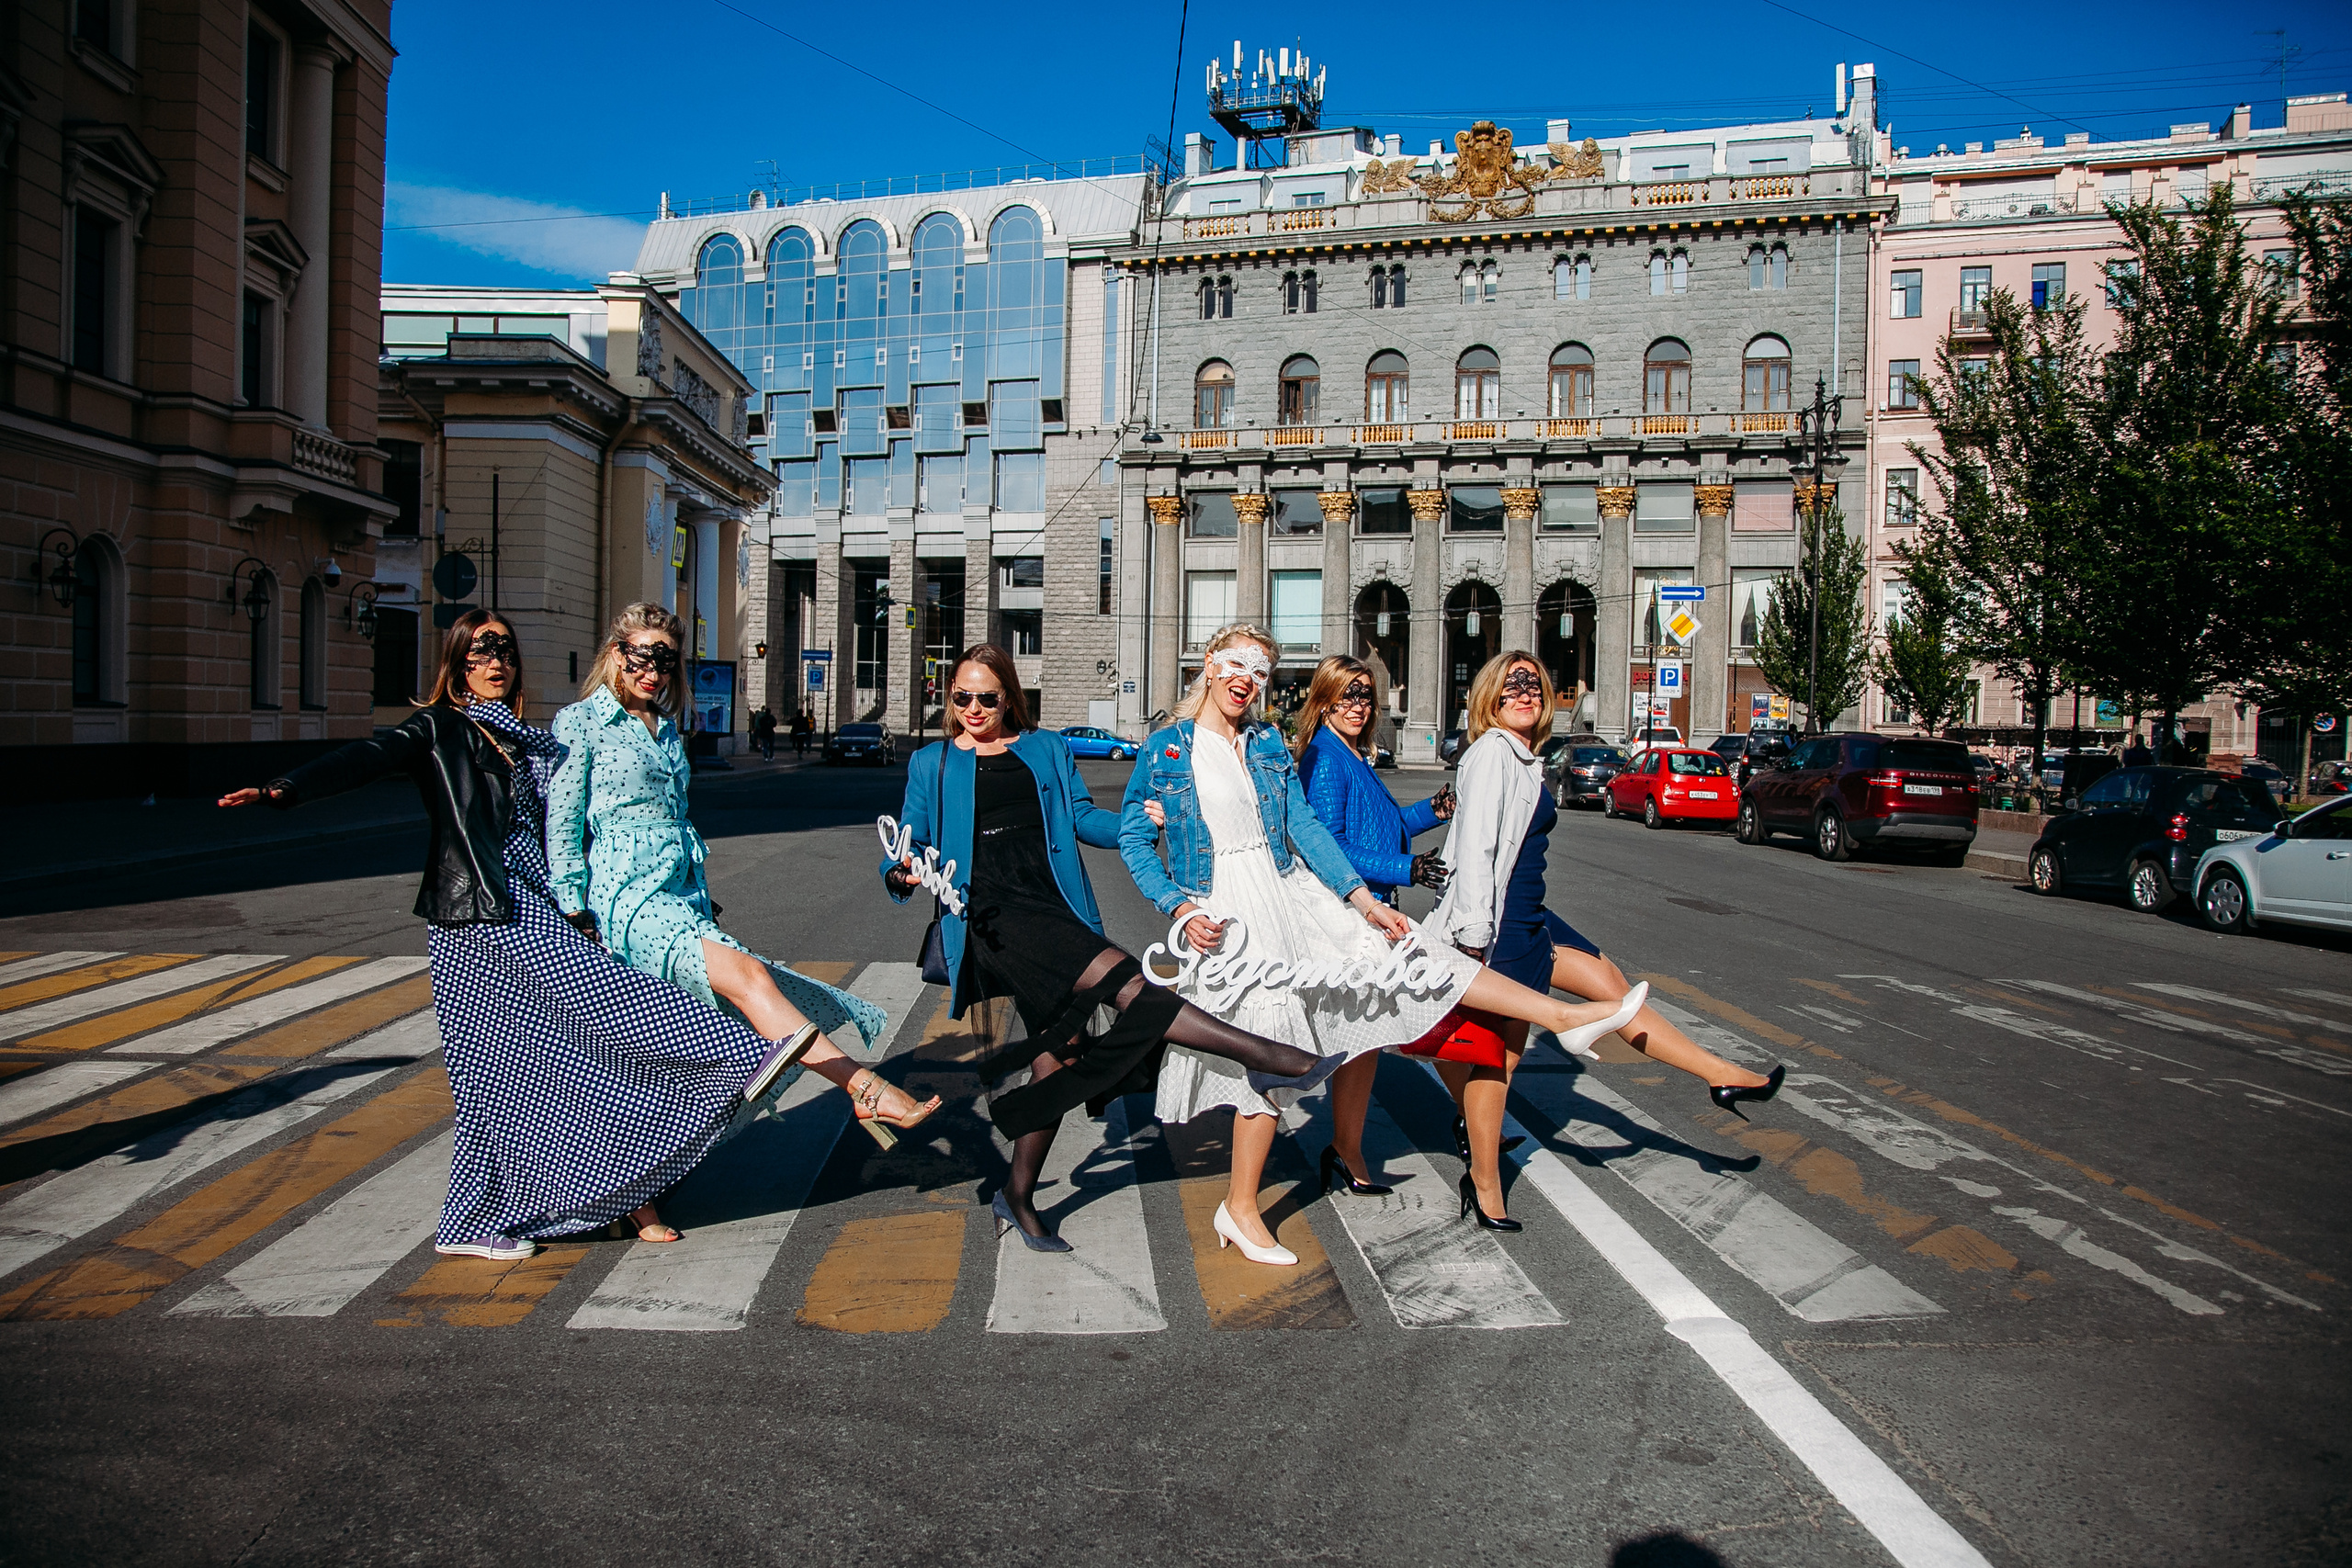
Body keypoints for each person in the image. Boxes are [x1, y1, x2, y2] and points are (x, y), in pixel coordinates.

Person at [219, 610, 845, 1260]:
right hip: (482, 917)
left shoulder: (523, 740)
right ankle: (731, 1053)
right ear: (456, 664)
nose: (496, 664)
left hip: (532, 901)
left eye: (505, 653)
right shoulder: (443, 727)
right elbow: (369, 755)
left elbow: (581, 823)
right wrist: (282, 788)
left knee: (536, 1072)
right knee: (586, 1014)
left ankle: (522, 1210)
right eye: (480, 653)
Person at [1123, 626, 1645, 1262]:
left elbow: (1305, 828)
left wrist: (1363, 900)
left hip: (1289, 892)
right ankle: (1241, 1206)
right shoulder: (1166, 750)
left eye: (1259, 672)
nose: (1245, 679)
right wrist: (1178, 906)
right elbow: (1133, 842)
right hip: (1226, 912)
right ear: (1209, 663)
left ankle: (1562, 1016)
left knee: (1408, 958)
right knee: (1265, 1058)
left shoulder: (1264, 743)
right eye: (1236, 664)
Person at [882, 642, 1329, 1253]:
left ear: (1008, 695)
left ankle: (1016, 1193)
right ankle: (1273, 1055)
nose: (975, 708)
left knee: (1060, 1057)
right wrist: (902, 873)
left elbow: (1084, 819)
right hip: (992, 918)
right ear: (949, 699)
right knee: (1130, 985)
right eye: (963, 697)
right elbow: (906, 845)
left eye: (988, 696)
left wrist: (1136, 824)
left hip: (1052, 904)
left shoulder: (1045, 748)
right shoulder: (932, 763)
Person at [548, 604, 936, 1241]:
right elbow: (562, 831)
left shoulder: (666, 729)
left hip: (682, 894)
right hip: (624, 900)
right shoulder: (582, 722)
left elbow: (678, 820)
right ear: (616, 653)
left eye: (666, 659)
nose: (653, 669)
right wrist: (574, 914)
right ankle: (861, 1085)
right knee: (751, 978)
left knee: (650, 1058)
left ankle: (637, 1199)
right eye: (642, 654)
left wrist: (701, 896)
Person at [1430, 651, 1785, 1229]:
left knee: (1613, 988)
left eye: (1535, 685)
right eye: (1511, 685)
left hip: (1534, 914)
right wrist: (1473, 939)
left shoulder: (1521, 756)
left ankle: (1718, 1072)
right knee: (1499, 1059)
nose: (1525, 694)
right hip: (1503, 924)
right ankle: (1484, 1181)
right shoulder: (1492, 754)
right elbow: (1475, 850)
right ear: (1488, 697)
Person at [1291, 653, 1455, 1196]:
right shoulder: (1324, 758)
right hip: (1351, 915)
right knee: (1369, 1029)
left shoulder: (1352, 755)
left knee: (1366, 1038)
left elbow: (1384, 825)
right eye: (1346, 696)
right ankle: (1471, 1115)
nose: (1358, 706)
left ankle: (1348, 1148)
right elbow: (1329, 846)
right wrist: (1404, 868)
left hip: (1372, 908)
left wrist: (1434, 809)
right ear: (1323, 701)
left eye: (1365, 696)